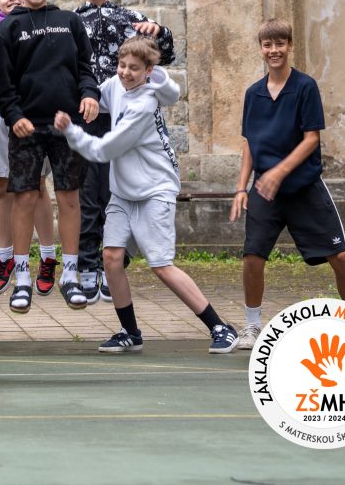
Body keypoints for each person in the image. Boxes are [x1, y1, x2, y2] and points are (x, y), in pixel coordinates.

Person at [56, 36, 239, 354]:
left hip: (155, 190)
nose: (125, 73)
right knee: (111, 258)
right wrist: (76, 96)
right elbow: (96, 97)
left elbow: (103, 150)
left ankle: (220, 327)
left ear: (148, 72)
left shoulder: (143, 105)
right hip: (123, 191)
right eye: (122, 65)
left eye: (134, 69)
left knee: (161, 266)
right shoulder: (117, 84)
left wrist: (70, 130)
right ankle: (130, 332)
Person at [229, 19, 345, 350]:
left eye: (279, 44)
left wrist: (279, 171)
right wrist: (241, 187)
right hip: (264, 192)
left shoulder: (305, 87)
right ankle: (252, 326)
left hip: (304, 188)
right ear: (261, 49)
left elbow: (311, 138)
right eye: (267, 45)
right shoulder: (253, 93)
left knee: (341, 257)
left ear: (289, 45)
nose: (274, 50)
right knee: (252, 257)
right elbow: (249, 143)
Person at [0, 0, 100, 313]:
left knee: (69, 197)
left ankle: (70, 275)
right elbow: (3, 85)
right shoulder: (8, 28)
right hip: (27, 127)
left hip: (67, 126)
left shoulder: (69, 21)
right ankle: (22, 277)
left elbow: (85, 70)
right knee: (24, 198)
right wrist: (14, 116)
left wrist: (89, 94)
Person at [75, 0, 175, 304]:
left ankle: (115, 264)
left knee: (115, 191)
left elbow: (165, 53)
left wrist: (160, 31)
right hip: (89, 113)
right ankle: (88, 265)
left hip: (123, 114)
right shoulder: (72, 21)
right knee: (88, 194)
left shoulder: (131, 19)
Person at [0, 0, 56, 296]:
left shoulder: (43, 24)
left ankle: (48, 257)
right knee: (4, 186)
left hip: (33, 110)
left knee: (37, 186)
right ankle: (4, 257)